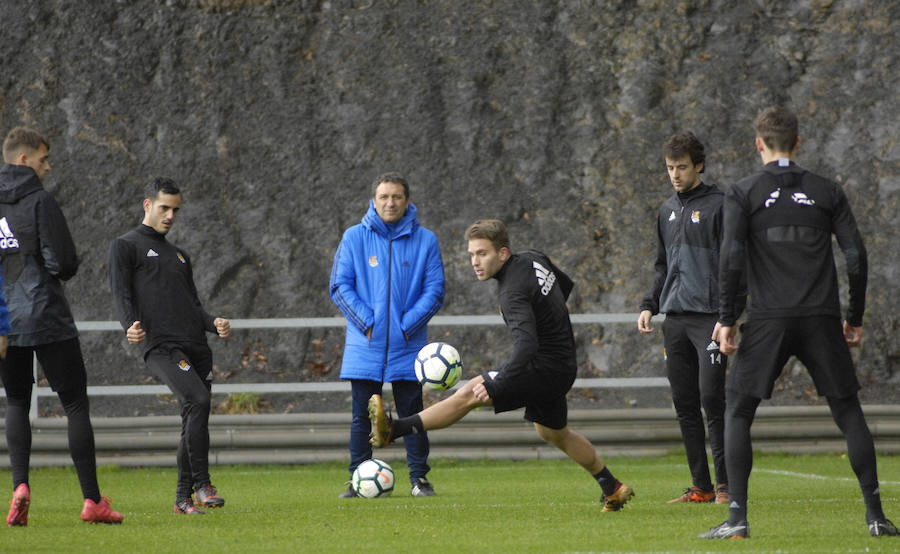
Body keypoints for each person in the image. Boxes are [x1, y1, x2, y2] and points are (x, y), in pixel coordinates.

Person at [700, 106, 897, 539]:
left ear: (758, 144)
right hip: (820, 317)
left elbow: (731, 259)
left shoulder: (743, 192)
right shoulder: (826, 191)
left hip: (768, 318)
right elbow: (856, 257)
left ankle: (737, 519)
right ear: (798, 142)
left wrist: (727, 319)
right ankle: (876, 517)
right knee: (847, 411)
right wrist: (854, 317)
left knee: (738, 411)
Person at [369, 219, 634, 511]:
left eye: (482, 253)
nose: (475, 262)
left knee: (471, 392)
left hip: (544, 366)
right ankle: (611, 486)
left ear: (503, 253)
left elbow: (526, 346)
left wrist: (499, 382)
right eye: (471, 254)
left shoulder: (511, 293)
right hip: (562, 364)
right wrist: (549, 319)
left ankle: (394, 430)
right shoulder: (534, 258)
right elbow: (564, 286)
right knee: (552, 432)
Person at [0, 126, 123, 525]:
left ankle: (20, 486)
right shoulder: (40, 201)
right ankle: (92, 500)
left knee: (16, 401)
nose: (47, 167)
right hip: (47, 314)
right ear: (23, 159)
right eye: (42, 159)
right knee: (73, 404)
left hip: (5, 318)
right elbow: (64, 261)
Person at [108, 177, 231, 515]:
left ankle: (182, 498)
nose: (170, 215)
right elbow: (121, 294)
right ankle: (202, 483)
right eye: (164, 207)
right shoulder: (126, 245)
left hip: (195, 344)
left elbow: (193, 305)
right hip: (161, 345)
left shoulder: (180, 255)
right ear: (147, 204)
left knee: (194, 415)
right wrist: (129, 325)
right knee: (198, 398)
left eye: (175, 209)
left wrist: (213, 323)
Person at [329, 172, 445, 498]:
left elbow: (435, 291)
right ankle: (357, 479)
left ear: (407, 201)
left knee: (414, 416)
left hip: (410, 346)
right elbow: (340, 286)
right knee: (360, 419)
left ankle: (419, 480)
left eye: (396, 197)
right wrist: (369, 324)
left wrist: (406, 326)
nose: (390, 202)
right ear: (373, 200)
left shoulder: (427, 240)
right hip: (365, 345)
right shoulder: (354, 237)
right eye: (384, 197)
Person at [638, 132, 732, 504]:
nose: (675, 175)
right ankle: (702, 488)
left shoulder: (720, 206)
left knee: (713, 399)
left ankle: (727, 485)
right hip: (674, 320)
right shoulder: (666, 211)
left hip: (709, 318)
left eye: (681, 167)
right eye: (669, 168)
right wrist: (649, 304)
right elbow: (663, 267)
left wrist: (729, 316)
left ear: (699, 166)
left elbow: (732, 267)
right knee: (685, 404)